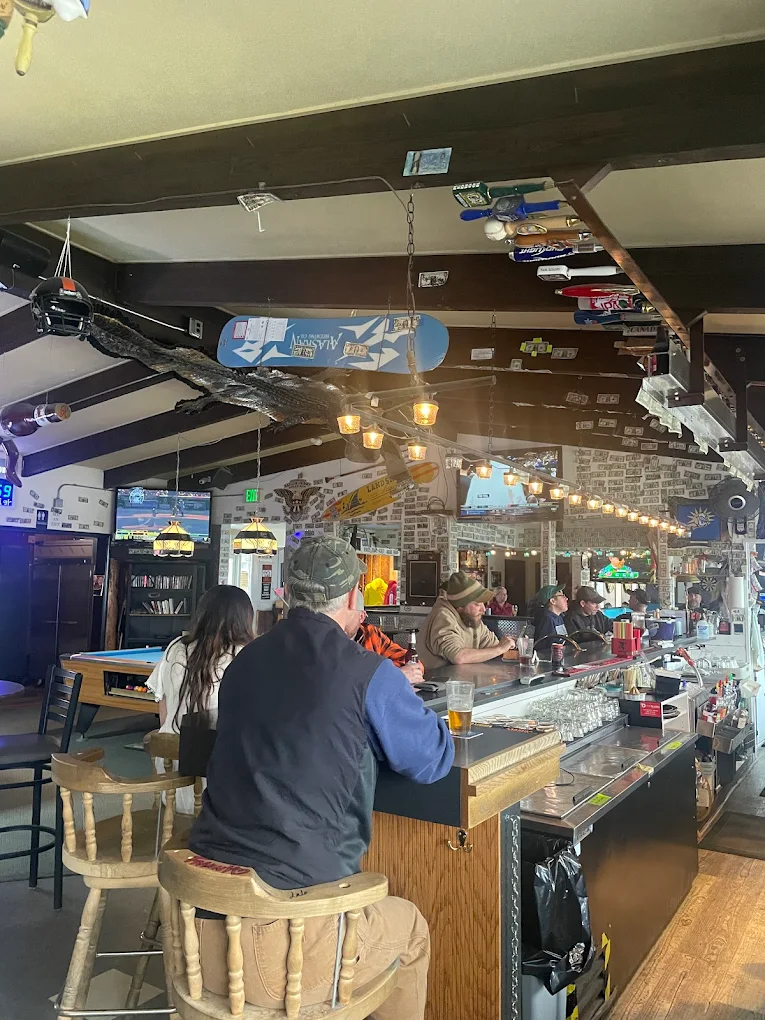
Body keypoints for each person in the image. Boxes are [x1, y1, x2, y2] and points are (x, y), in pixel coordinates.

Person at [189, 537, 454, 1019]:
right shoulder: (369, 672)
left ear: (287, 593)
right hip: (286, 942)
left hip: (196, 926)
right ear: (355, 597)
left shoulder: (243, 661)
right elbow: (432, 760)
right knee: (411, 928)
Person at [146, 584, 255, 813]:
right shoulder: (245, 656)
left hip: (169, 776)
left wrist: (172, 746)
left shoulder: (176, 648)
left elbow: (162, 707)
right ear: (245, 619)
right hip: (215, 786)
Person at [419, 570, 516, 669]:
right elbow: (458, 657)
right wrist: (500, 649)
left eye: (484, 604)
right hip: (432, 681)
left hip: (459, 680)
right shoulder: (443, 617)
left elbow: (493, 646)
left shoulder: (471, 619)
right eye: (477, 604)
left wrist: (513, 647)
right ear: (460, 606)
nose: (483, 610)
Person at [351, 590, 424, 684]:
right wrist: (392, 676)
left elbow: (412, 664)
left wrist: (393, 674)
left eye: (346, 613)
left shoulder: (370, 634)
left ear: (362, 616)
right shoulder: (330, 640)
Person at [533, 584, 569, 648]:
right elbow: (543, 646)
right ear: (553, 601)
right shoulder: (547, 619)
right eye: (562, 596)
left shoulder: (559, 617)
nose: (566, 598)